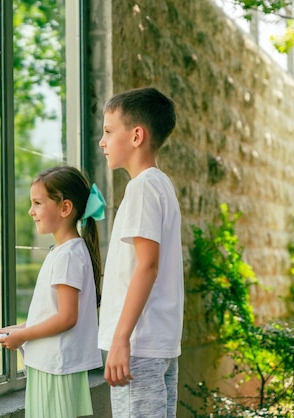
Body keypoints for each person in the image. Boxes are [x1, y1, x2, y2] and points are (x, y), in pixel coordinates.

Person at [97, 87, 184, 418]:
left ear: (136, 135)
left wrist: (121, 339)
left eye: (108, 131)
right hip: (155, 344)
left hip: (139, 345)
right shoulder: (160, 184)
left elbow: (147, 266)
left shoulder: (143, 187)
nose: (102, 142)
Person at [0, 166, 105, 418]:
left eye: (37, 203)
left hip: (56, 367)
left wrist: (23, 335)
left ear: (65, 208)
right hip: (52, 365)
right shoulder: (65, 251)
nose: (30, 211)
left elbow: (67, 318)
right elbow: (54, 311)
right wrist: (21, 328)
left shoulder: (68, 255)